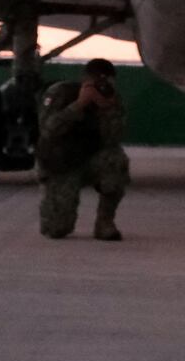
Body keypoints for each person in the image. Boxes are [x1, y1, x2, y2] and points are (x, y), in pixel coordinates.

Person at [37, 58, 129, 242]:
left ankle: (105, 223)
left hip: (91, 159)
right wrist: (79, 104)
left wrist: (107, 110)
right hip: (62, 162)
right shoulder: (61, 93)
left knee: (116, 160)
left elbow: (113, 139)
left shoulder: (111, 99)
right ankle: (53, 208)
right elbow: (48, 130)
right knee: (56, 229)